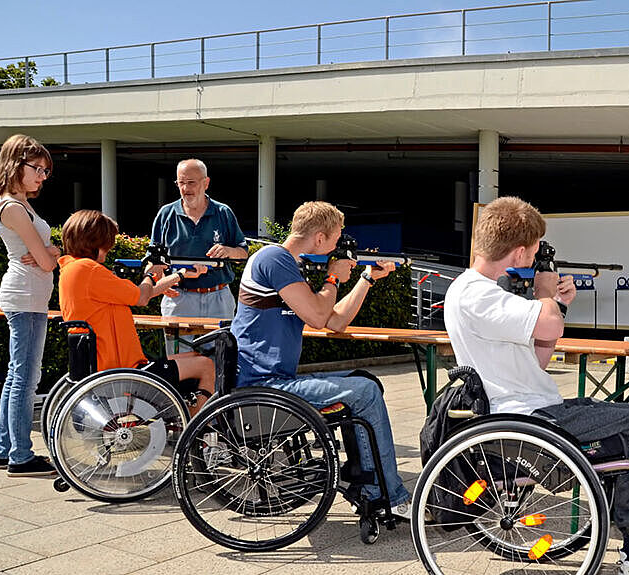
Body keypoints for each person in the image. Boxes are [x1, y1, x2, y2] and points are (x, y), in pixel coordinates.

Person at [443, 195, 629, 575]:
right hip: (527, 420)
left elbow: (539, 356)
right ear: (519, 252)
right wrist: (545, 294)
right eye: (535, 249)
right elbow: (549, 324)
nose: (536, 257)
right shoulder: (477, 295)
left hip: (533, 409)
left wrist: (556, 306)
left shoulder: (482, 293)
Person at [232, 201, 413, 519]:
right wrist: (333, 278)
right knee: (365, 391)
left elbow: (335, 321)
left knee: (364, 381)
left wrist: (366, 279)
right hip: (265, 385)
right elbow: (318, 317)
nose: (336, 248)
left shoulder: (286, 264)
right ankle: (390, 497)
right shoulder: (274, 259)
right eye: (336, 239)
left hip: (274, 380)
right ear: (319, 237)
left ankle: (368, 483)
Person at [58, 210, 215, 414]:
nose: (108, 250)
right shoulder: (90, 270)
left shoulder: (73, 270)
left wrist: (180, 275)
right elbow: (142, 297)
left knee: (192, 355)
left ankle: (180, 416)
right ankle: (194, 426)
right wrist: (150, 274)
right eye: (107, 244)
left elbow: (142, 293)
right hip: (122, 370)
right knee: (206, 365)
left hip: (104, 365)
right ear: (95, 242)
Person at [0, 134, 60, 477]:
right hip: (25, 296)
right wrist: (51, 254)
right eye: (38, 169)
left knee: (16, 375)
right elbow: (45, 262)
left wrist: (50, 252)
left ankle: (6, 450)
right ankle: (20, 456)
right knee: (25, 378)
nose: (42, 177)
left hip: (29, 296)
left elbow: (47, 255)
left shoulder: (20, 204)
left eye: (46, 171)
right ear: (16, 164)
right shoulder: (13, 207)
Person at [150, 159, 248, 351]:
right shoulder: (166, 214)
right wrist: (159, 281)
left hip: (218, 297)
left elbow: (243, 253)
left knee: (220, 361)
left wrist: (228, 251)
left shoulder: (223, 212)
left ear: (206, 183)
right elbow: (153, 259)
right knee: (178, 362)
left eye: (191, 182)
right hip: (178, 298)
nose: (185, 188)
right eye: (181, 182)